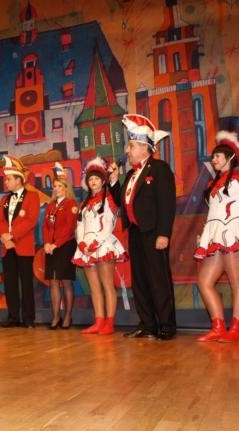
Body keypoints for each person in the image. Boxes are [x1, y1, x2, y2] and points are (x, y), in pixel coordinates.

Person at [194, 131, 239, 342]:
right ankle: (218, 327)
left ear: (231, 157)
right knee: (204, 281)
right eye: (213, 157)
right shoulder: (213, 184)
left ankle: (235, 330)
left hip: (236, 234)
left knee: (238, 283)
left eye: (218, 156)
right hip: (216, 236)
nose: (214, 160)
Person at [109, 113, 177, 340]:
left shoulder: (159, 169)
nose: (127, 151)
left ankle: (166, 325)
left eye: (130, 146)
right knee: (140, 281)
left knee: (158, 280)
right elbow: (121, 202)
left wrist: (164, 233)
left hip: (153, 232)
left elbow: (167, 203)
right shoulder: (130, 174)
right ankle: (147, 324)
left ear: (143, 147)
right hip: (136, 233)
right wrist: (114, 181)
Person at [72, 157, 127, 335]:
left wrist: (96, 243)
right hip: (86, 248)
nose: (93, 181)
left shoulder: (110, 199)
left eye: (96, 178)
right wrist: (82, 243)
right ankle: (99, 321)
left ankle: (109, 323)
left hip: (103, 244)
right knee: (94, 287)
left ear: (103, 181)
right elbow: (80, 225)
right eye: (90, 179)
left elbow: (109, 224)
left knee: (107, 285)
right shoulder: (84, 204)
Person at [0, 156, 40, 328]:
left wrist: (11, 236)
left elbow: (31, 220)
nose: (6, 182)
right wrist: (4, 237)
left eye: (8, 179)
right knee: (10, 283)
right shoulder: (4, 200)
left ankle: (29, 318)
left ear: (18, 180)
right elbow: (0, 221)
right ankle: (13, 317)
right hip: (7, 247)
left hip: (23, 245)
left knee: (26, 283)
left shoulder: (32, 196)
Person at [43, 163, 78, 329]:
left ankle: (68, 316)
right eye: (55, 186)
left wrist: (55, 244)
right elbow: (45, 226)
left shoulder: (71, 204)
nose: (56, 189)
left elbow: (69, 228)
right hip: (51, 248)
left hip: (65, 247)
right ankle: (55, 317)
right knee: (53, 282)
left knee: (66, 281)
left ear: (66, 188)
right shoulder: (50, 205)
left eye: (60, 186)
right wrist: (47, 243)